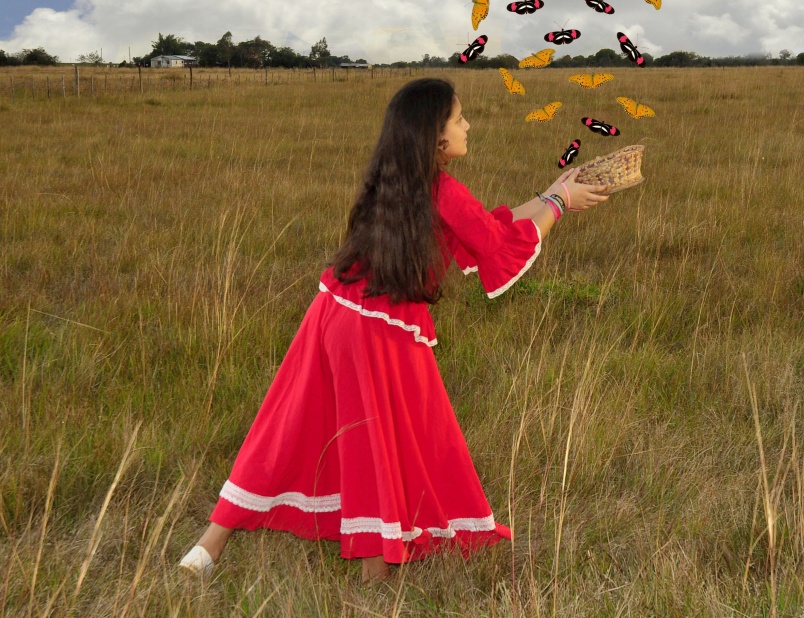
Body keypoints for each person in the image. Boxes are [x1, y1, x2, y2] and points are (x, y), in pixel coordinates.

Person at [179, 77, 610, 582]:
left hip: (333, 313)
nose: (468, 125)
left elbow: (486, 227)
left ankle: (207, 548)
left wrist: (553, 192)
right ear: (435, 136)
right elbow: (497, 245)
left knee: (288, 424)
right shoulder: (440, 187)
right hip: (380, 331)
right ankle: (373, 574)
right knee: (379, 439)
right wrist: (559, 206)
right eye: (459, 118)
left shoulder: (396, 176)